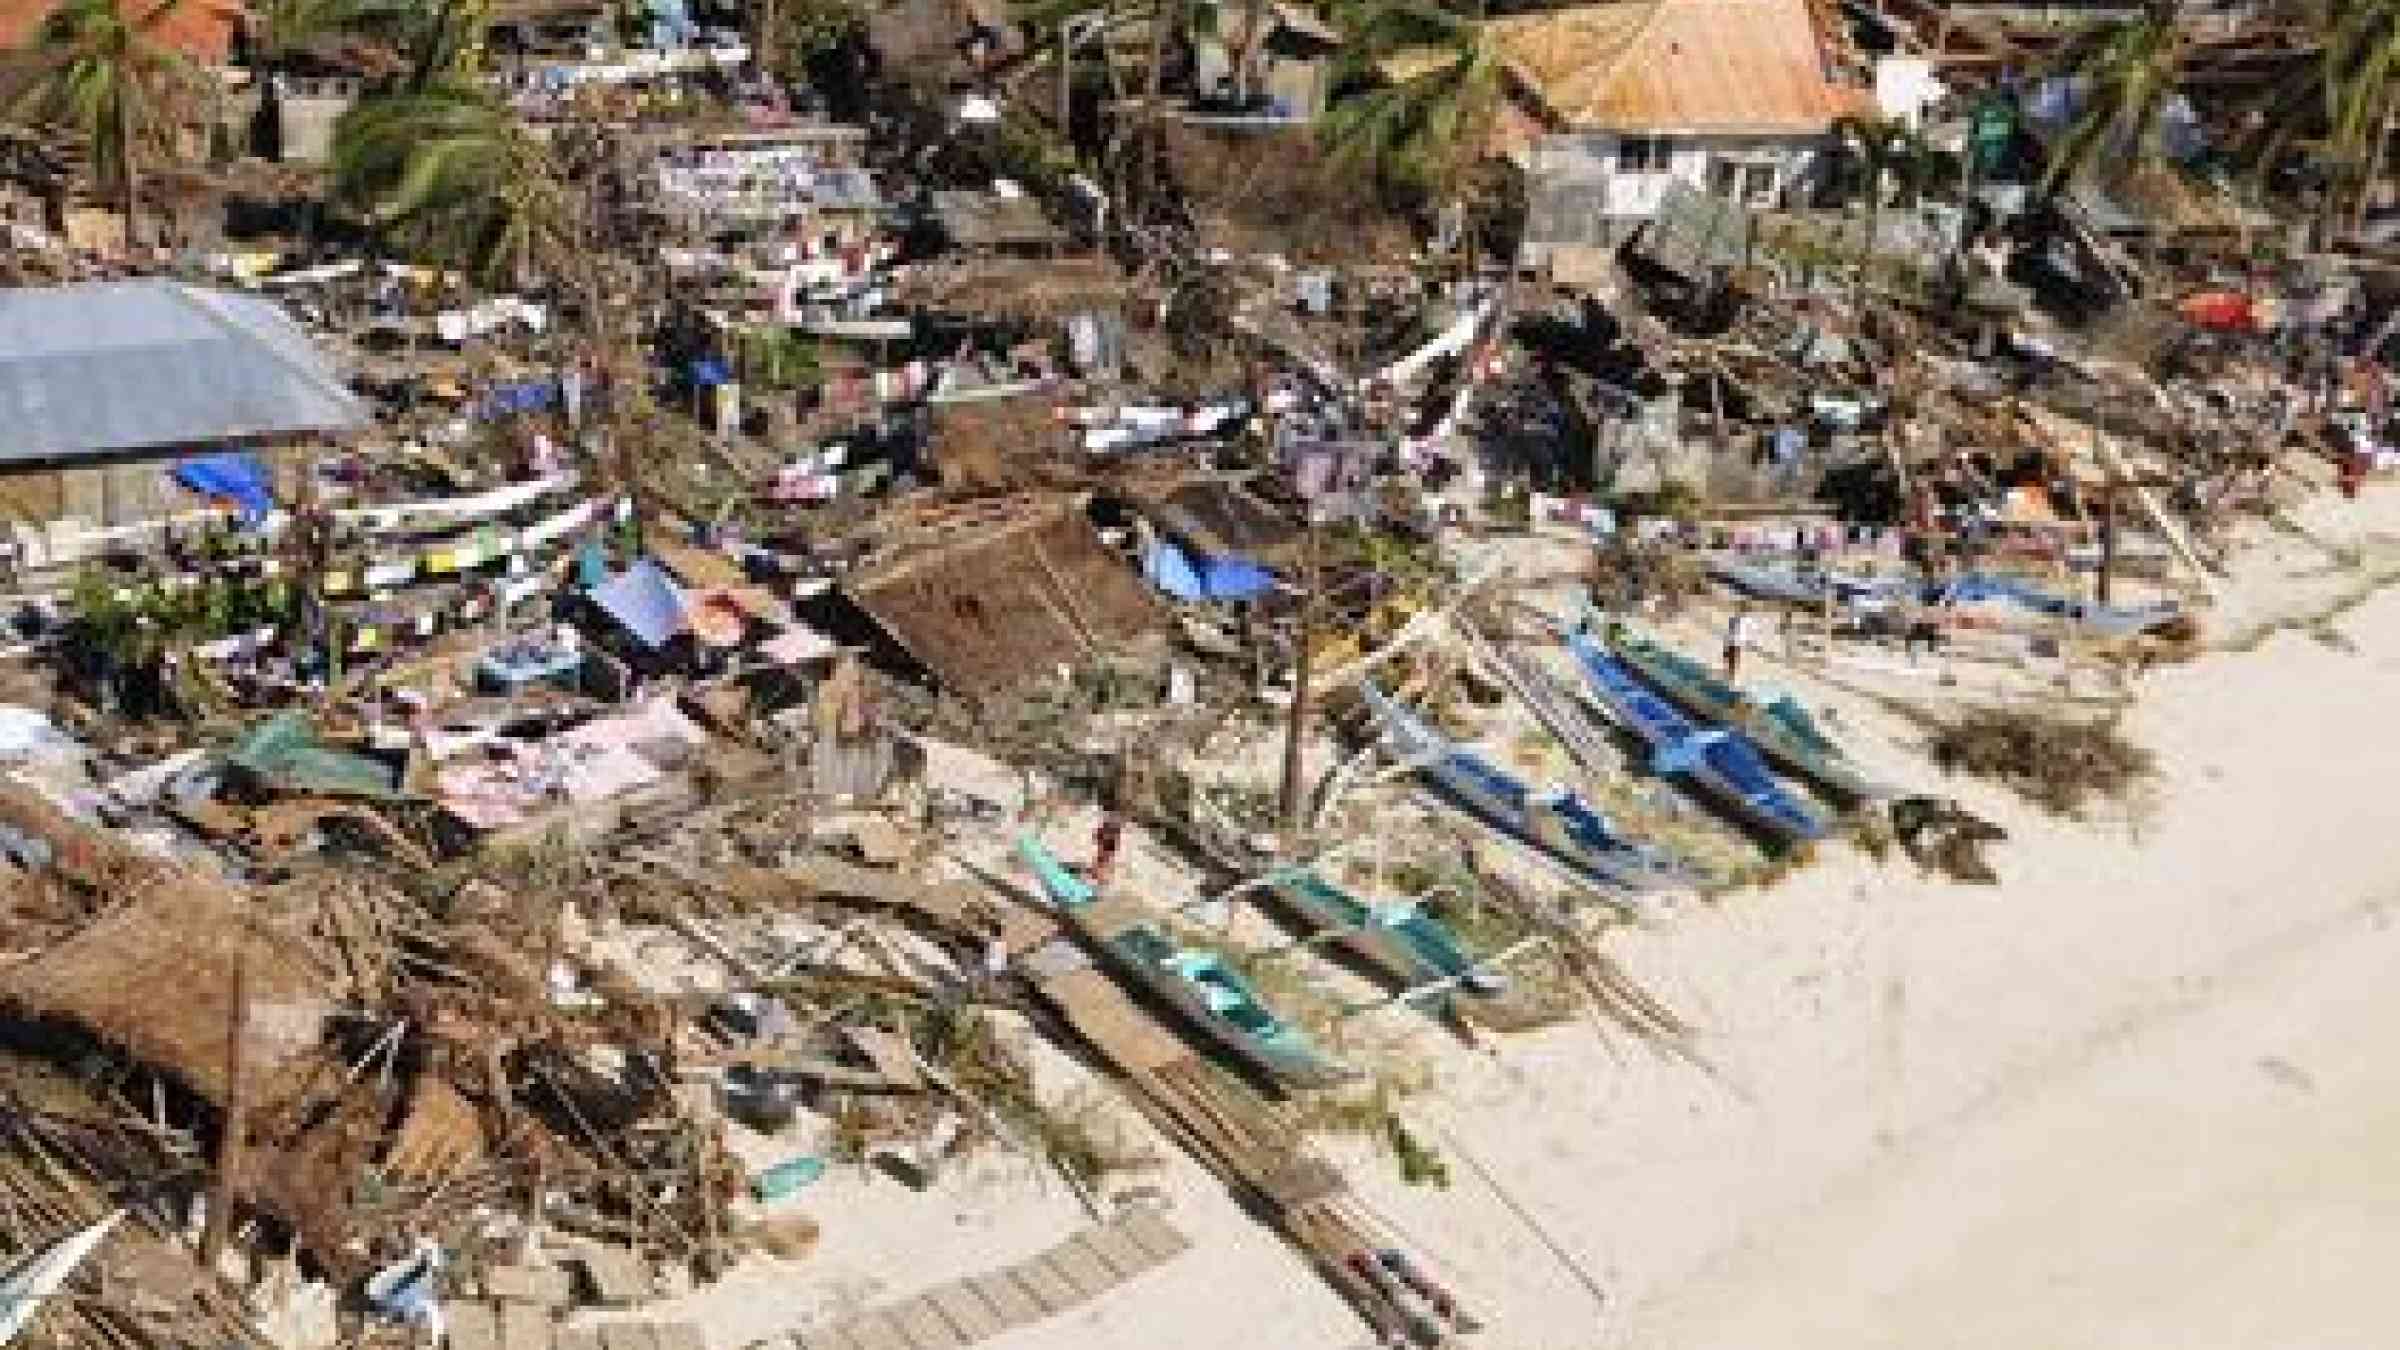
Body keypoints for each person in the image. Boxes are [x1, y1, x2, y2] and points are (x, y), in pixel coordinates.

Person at [1092, 810, 1124, 887]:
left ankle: (1100, 877)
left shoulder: (1111, 827)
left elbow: (1115, 838)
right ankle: (1099, 876)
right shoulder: (1110, 827)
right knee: (1103, 859)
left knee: (1103, 859)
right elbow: (1100, 833)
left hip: (1107, 844)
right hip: (1106, 844)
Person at [1724, 606, 1749, 682]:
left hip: (1733, 641)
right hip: (1734, 641)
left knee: (1731, 659)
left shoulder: (1734, 620)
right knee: (1733, 659)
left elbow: (1730, 632)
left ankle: (1730, 675)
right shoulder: (1740, 621)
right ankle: (1731, 675)